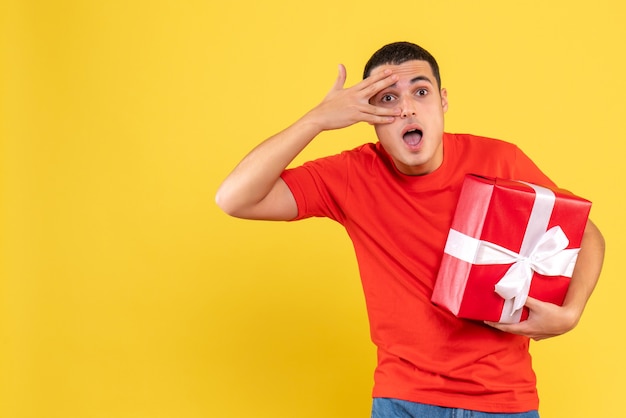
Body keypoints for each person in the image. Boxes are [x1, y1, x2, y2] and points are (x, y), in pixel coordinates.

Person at [215, 42, 605, 417]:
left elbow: (586, 232)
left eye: (420, 92)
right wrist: (316, 119)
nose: (405, 109)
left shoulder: (499, 159)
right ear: (367, 115)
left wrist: (571, 312)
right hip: (403, 401)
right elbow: (234, 198)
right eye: (387, 98)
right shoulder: (351, 176)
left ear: (443, 101)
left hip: (504, 400)